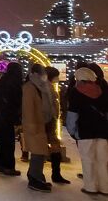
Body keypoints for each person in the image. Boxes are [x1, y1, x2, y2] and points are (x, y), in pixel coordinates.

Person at [66, 67, 108, 195]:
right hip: (103, 131)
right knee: (103, 160)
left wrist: (72, 131)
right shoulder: (102, 89)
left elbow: (72, 114)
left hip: (85, 131)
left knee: (87, 159)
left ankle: (91, 187)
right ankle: (105, 187)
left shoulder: (76, 92)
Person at [22, 63, 54, 192]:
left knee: (39, 152)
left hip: (41, 123)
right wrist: (31, 125)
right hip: (34, 124)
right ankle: (35, 179)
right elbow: (28, 108)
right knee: (38, 153)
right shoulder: (29, 88)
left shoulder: (39, 87)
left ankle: (37, 176)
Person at [0, 62, 23, 175]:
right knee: (8, 142)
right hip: (6, 116)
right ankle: (8, 166)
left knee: (1, 140)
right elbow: (15, 102)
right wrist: (17, 118)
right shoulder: (14, 83)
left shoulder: (2, 81)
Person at [44, 66, 69, 184]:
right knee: (54, 147)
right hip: (49, 121)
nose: (58, 79)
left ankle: (55, 174)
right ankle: (55, 174)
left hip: (49, 121)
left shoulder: (46, 86)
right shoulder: (47, 88)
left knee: (54, 147)